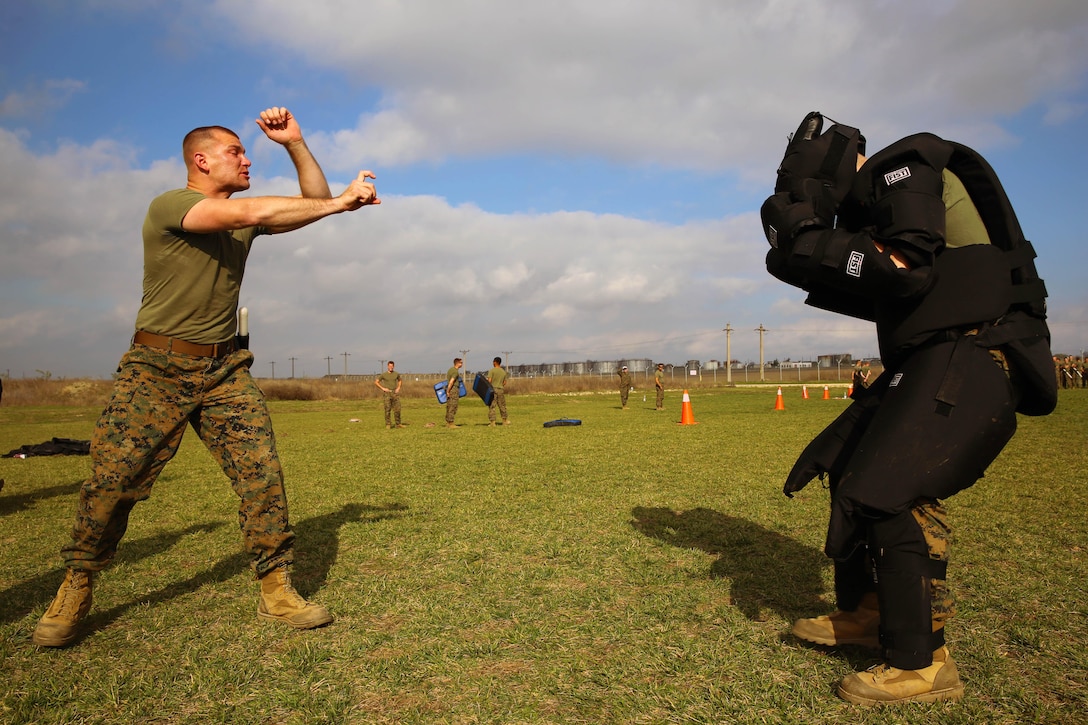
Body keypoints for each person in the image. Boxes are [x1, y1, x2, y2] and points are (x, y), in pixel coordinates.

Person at [32, 107, 380, 648]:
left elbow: (312, 203)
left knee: (260, 475)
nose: (246, 160)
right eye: (236, 152)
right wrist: (340, 203)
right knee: (113, 483)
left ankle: (276, 589)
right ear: (201, 160)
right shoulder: (173, 205)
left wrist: (296, 144)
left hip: (224, 370)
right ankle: (76, 584)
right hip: (156, 369)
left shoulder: (244, 218)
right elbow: (256, 212)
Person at [761, 112, 1056, 704]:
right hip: (933, 353)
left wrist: (811, 238)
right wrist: (796, 255)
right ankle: (872, 612)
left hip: (980, 347)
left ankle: (923, 663)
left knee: (887, 486)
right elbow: (874, 287)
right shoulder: (877, 208)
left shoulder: (902, 166)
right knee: (844, 465)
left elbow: (903, 267)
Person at [376, 360, 404, 428]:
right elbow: (376, 382)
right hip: (387, 394)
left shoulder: (396, 374)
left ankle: (398, 424)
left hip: (395, 393)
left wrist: (398, 387)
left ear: (393, 366)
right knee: (387, 409)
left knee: (397, 409)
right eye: (390, 366)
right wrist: (383, 388)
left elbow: (400, 380)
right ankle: (388, 424)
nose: (391, 367)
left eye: (392, 366)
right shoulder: (384, 374)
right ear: (387, 366)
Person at [486, 356, 510, 426]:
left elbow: (489, 381)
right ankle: (504, 421)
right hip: (501, 389)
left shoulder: (492, 371)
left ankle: (492, 422)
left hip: (493, 390)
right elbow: (505, 382)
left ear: (495, 362)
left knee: (492, 406)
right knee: (502, 405)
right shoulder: (503, 371)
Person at [445, 358, 464, 428]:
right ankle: (451, 423)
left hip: (451, 389)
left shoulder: (450, 369)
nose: (462, 364)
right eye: (461, 363)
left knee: (449, 406)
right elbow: (451, 381)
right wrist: (448, 391)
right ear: (457, 363)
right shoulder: (455, 372)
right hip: (453, 389)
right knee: (453, 406)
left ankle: (447, 422)